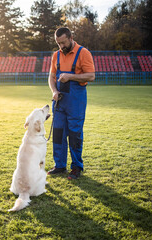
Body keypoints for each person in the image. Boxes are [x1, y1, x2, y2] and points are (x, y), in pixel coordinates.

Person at [47, 27, 95, 180]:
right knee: (58, 133)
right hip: (60, 101)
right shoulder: (56, 55)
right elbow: (51, 77)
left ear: (71, 37)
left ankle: (76, 167)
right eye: (58, 43)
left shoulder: (84, 53)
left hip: (76, 101)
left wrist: (70, 77)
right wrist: (54, 91)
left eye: (63, 43)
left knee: (74, 134)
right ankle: (60, 165)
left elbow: (91, 76)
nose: (61, 46)